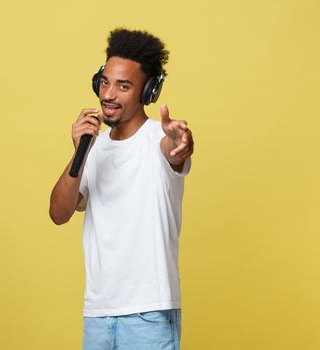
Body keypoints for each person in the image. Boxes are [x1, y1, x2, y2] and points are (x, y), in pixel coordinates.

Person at [49, 28, 194, 350]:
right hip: (99, 312)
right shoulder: (94, 147)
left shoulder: (158, 138)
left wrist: (180, 141)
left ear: (148, 92)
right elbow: (59, 213)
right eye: (105, 82)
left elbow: (173, 149)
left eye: (124, 86)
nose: (109, 94)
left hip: (149, 314)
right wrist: (80, 150)